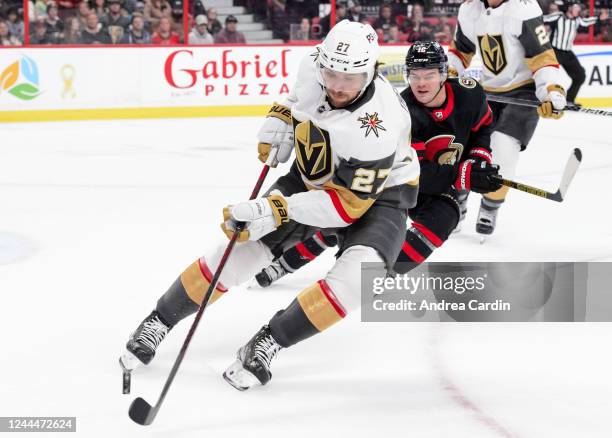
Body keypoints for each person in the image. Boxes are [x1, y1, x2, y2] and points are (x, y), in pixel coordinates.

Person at [119, 20, 420, 390]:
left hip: (379, 197)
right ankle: (159, 320)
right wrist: (282, 116)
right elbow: (299, 98)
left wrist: (279, 209)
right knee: (241, 248)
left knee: (359, 281)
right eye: (331, 73)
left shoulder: (379, 127)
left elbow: (345, 209)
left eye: (350, 78)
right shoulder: (314, 65)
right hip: (316, 171)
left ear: (371, 71)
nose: (337, 86)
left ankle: (268, 342)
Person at [254, 42, 502, 288]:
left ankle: (380, 275)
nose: (421, 83)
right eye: (414, 76)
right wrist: (464, 176)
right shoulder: (402, 113)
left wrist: (478, 160)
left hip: (443, 182)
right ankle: (284, 262)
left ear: (445, 74)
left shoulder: (470, 94)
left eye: (429, 75)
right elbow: (421, 174)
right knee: (341, 219)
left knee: (445, 217)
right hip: (395, 182)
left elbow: (482, 130)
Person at [447, 0, 567, 236]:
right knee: (463, 143)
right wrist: (450, 77)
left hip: (524, 91)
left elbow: (542, 56)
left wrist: (552, 90)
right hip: (487, 91)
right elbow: (461, 50)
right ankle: (457, 199)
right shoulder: (470, 9)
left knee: (503, 149)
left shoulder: (524, 9)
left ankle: (490, 207)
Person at [544, 0, 609, 106]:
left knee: (580, 76)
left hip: (568, 53)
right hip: (554, 52)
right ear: (570, 8)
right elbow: (542, 19)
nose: (579, 9)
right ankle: (539, 98)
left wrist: (599, 19)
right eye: (576, 7)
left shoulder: (577, 20)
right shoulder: (558, 16)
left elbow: (587, 22)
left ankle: (569, 100)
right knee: (547, 77)